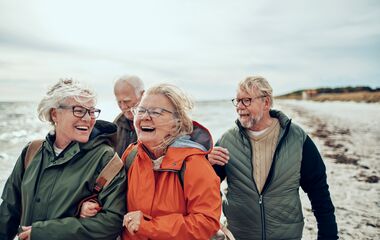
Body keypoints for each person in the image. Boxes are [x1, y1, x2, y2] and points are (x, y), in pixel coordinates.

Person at [81, 83, 222, 239]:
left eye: (156, 112)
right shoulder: (131, 155)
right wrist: (90, 206)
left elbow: (206, 223)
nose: (145, 117)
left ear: (177, 123)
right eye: (141, 110)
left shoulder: (194, 164)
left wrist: (148, 226)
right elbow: (112, 198)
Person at [209, 76, 338, 240]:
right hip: (239, 236)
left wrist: (328, 236)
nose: (239, 107)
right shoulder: (227, 141)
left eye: (246, 100)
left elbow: (319, 193)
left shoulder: (297, 138)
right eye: (237, 101)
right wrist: (206, 163)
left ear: (266, 102)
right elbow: (206, 189)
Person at [0, 79, 126, 240]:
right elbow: (8, 211)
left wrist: (44, 233)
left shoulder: (106, 160)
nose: (88, 119)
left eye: (92, 111)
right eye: (79, 110)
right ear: (54, 114)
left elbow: (112, 222)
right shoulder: (32, 151)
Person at [113, 75, 145, 156]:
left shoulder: (154, 124)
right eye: (119, 102)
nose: (123, 107)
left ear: (142, 95)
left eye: (127, 101)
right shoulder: (116, 124)